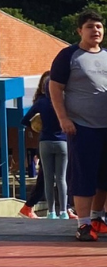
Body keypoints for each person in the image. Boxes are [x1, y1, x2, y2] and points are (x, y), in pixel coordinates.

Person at [48, 11, 107, 241]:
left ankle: (97, 219)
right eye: (90, 27)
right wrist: (63, 118)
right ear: (79, 31)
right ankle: (83, 224)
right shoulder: (68, 56)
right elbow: (55, 88)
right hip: (82, 126)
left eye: (99, 27)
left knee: (106, 176)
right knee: (84, 175)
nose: (96, 30)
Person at [20, 71, 68, 220]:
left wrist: (37, 126)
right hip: (63, 141)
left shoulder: (41, 102)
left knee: (47, 179)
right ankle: (64, 211)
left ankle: (51, 212)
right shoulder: (65, 101)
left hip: (45, 141)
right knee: (62, 179)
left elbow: (24, 120)